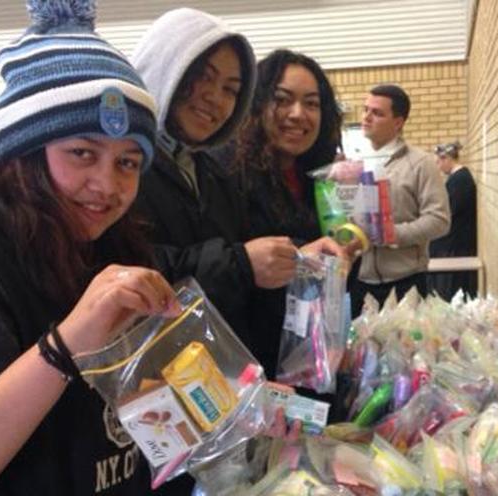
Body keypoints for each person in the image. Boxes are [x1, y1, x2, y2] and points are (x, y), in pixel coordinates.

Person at [0, 2, 185, 494]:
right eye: (81, 153)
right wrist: (64, 348)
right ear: (24, 153)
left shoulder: (107, 244)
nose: (107, 186)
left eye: (128, 163)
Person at [130, 13, 346, 379]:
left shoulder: (205, 171)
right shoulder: (128, 165)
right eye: (202, 76)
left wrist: (299, 260)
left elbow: (237, 276)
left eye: (230, 89)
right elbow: (127, 271)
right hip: (149, 388)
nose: (214, 98)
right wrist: (243, 264)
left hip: (218, 384)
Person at [218, 49, 352, 380]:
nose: (298, 114)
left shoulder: (319, 179)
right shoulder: (228, 172)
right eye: (283, 99)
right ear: (256, 104)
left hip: (315, 358)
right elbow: (224, 274)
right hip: (255, 367)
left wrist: (348, 247)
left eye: (312, 103)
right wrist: (297, 259)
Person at [351, 84, 450, 315]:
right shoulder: (356, 164)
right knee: (363, 352)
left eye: (377, 113)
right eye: (365, 110)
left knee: (407, 351)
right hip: (360, 282)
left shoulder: (421, 163)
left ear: (398, 122)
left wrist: (390, 234)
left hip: (406, 284)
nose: (366, 117)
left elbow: (439, 220)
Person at [427, 141, 478, 299]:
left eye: (438, 162)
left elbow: (448, 212)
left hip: (455, 246)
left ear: (447, 159)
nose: (438, 167)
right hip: (453, 242)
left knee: (448, 292)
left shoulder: (460, 180)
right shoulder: (457, 178)